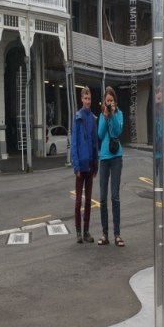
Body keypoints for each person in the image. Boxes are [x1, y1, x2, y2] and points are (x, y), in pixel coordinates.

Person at [97, 86, 124, 246]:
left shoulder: (119, 114)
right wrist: (105, 116)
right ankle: (104, 234)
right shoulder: (102, 115)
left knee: (115, 196)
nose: (109, 103)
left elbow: (117, 132)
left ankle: (117, 234)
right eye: (107, 101)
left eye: (111, 101)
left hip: (116, 158)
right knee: (102, 198)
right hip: (104, 158)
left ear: (115, 101)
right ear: (104, 102)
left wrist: (112, 115)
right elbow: (100, 135)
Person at [71, 86, 98, 244]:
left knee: (88, 200)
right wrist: (76, 166)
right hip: (81, 165)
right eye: (85, 98)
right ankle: (78, 231)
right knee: (78, 201)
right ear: (81, 99)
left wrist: (96, 164)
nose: (87, 101)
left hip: (90, 164)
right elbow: (74, 143)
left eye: (89, 99)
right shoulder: (78, 118)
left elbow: (95, 143)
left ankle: (86, 231)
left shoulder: (93, 119)